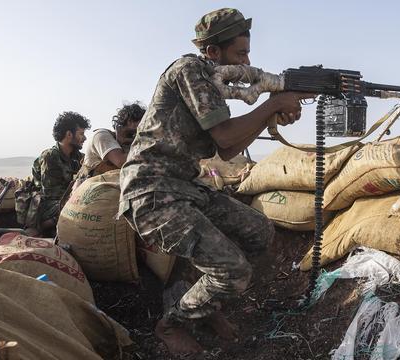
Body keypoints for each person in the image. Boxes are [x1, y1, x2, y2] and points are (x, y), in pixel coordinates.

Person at [119, 8, 312, 355]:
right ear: (213, 52)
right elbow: (225, 137)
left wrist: (274, 110)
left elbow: (230, 149)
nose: (247, 61)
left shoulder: (210, 81)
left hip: (182, 188)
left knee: (259, 232)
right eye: (240, 53)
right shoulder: (189, 70)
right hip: (151, 191)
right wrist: (272, 106)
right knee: (233, 271)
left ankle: (204, 307)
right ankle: (172, 323)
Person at [32, 111, 90, 236]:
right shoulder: (50, 157)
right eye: (81, 134)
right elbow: (51, 194)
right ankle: (46, 226)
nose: (85, 138)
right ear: (69, 134)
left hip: (66, 201)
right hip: (48, 206)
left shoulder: (79, 157)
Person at [73, 102, 145, 188]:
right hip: (90, 193)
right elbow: (121, 162)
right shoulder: (101, 135)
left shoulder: (130, 144)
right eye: (143, 122)